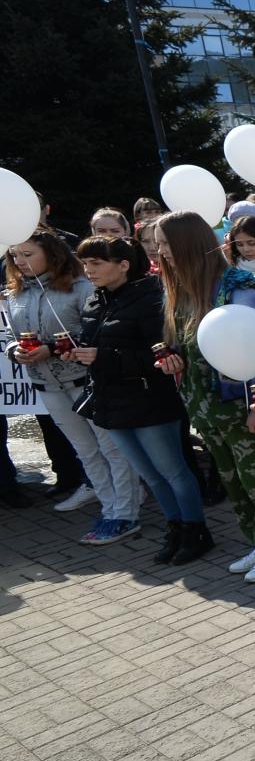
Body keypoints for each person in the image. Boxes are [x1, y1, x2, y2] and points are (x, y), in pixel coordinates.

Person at [155, 213, 255, 580]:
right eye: (158, 243)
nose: (161, 251)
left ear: (187, 243)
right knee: (233, 479)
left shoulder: (236, 285)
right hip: (205, 406)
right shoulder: (181, 290)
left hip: (242, 404)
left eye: (166, 243)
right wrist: (173, 360)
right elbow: (188, 345)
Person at [69, 236, 212, 565]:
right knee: (150, 475)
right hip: (111, 401)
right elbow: (96, 342)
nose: (89, 270)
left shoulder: (150, 298)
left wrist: (104, 356)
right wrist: (79, 352)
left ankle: (196, 530)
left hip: (150, 400)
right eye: (85, 263)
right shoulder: (96, 300)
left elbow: (163, 357)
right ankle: (175, 527)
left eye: (96, 263)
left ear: (123, 265)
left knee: (173, 471)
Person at [5, 230, 141, 542]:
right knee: (85, 451)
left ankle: (126, 512)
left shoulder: (81, 287)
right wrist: (16, 351)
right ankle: (110, 509)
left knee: (112, 448)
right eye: (15, 255)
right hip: (46, 385)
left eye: (28, 254)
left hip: (86, 382)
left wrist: (51, 349)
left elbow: (95, 332)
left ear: (51, 254)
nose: (20, 261)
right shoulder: (14, 293)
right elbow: (12, 336)